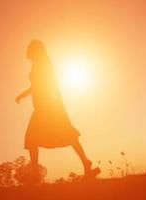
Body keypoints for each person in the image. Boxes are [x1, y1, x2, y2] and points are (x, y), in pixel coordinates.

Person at [15, 40, 100, 182]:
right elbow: (36, 86)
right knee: (37, 138)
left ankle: (84, 164)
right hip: (43, 107)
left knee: (47, 136)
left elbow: (52, 84)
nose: (27, 50)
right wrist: (22, 95)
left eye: (30, 48)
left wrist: (59, 105)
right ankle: (85, 163)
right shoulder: (37, 65)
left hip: (48, 107)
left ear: (36, 50)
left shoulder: (42, 65)